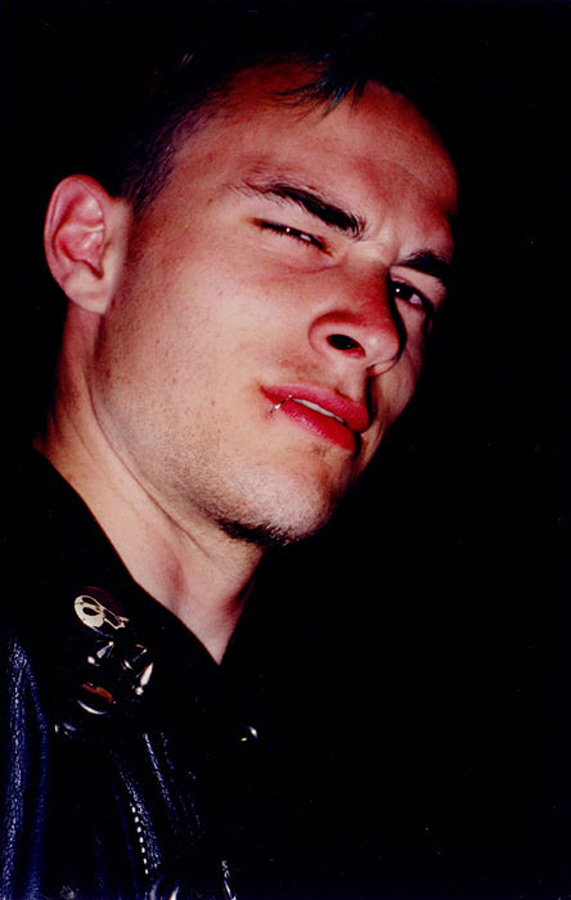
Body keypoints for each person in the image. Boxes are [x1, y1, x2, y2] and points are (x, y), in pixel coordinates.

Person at [0, 5, 457, 898]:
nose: (376, 331)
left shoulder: (305, 782)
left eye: (411, 289)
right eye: (299, 233)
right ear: (89, 246)